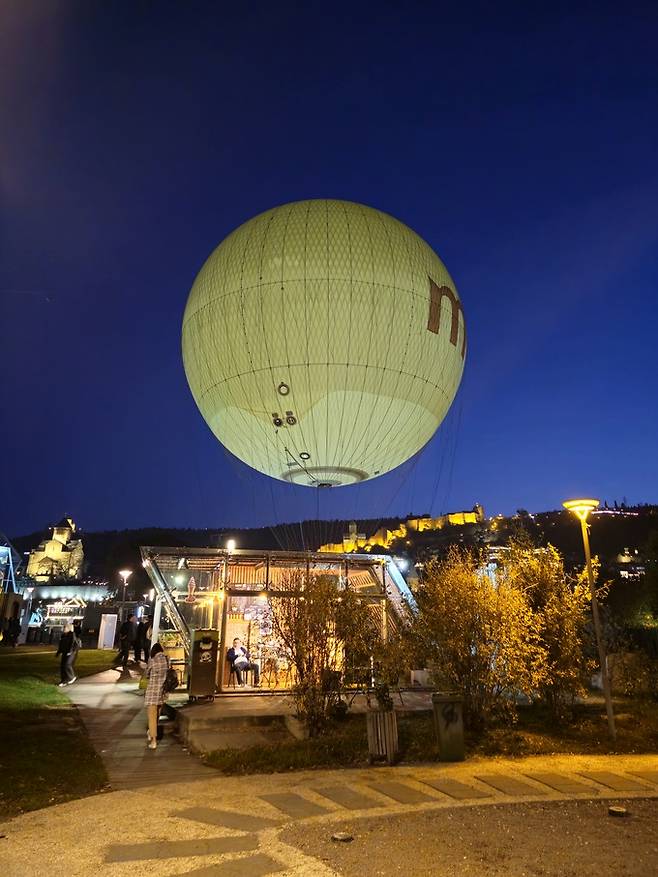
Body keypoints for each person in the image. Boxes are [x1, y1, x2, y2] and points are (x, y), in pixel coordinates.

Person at [144, 642, 168, 749]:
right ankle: (151, 731)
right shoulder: (166, 660)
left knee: (152, 717)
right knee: (157, 715)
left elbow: (147, 674)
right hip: (162, 692)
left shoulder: (152, 661)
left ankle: (153, 741)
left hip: (152, 693)